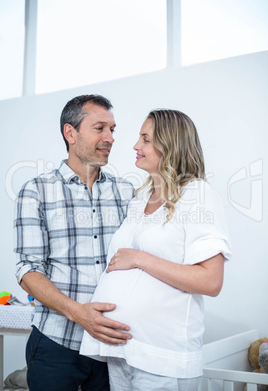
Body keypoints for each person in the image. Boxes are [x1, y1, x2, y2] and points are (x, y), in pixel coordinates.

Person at [80, 109, 231, 391]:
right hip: (122, 349)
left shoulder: (196, 195)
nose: (136, 146)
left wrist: (139, 259)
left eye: (145, 139)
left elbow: (210, 281)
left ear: (170, 144)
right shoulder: (140, 198)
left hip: (161, 354)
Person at [14, 94, 135, 391]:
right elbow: (28, 272)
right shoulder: (36, 191)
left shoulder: (128, 192)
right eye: (100, 128)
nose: (110, 138)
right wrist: (79, 313)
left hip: (111, 346)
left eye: (113, 130)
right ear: (71, 133)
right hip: (56, 343)